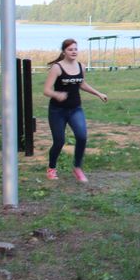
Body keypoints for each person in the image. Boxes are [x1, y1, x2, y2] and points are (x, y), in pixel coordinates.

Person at [42, 39, 108, 183]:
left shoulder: (81, 67)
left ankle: (77, 168)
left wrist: (99, 94)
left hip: (75, 109)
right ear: (64, 51)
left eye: (75, 49)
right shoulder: (57, 68)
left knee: (82, 137)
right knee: (59, 141)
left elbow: (82, 84)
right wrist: (56, 95)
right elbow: (46, 90)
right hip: (57, 111)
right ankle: (51, 168)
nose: (73, 52)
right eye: (70, 49)